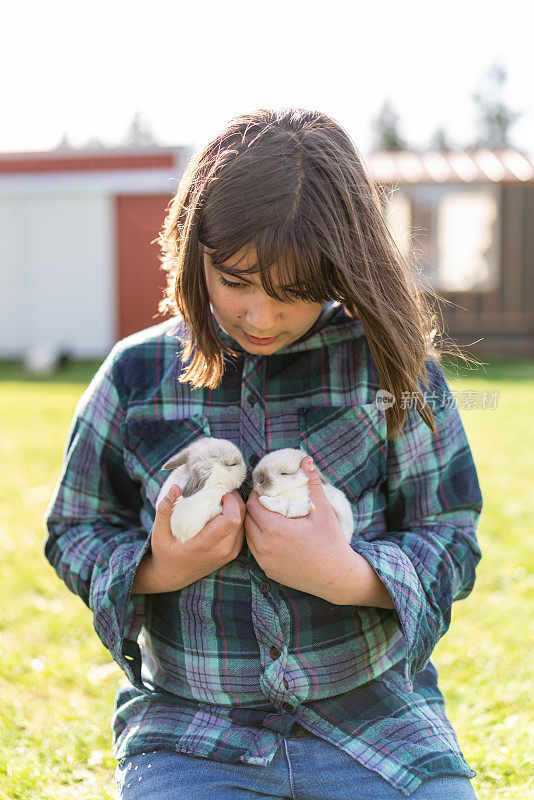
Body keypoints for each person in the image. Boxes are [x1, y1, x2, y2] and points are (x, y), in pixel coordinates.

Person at [44, 108, 483, 799]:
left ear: (342, 267)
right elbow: (73, 528)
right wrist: (161, 567)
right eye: (238, 281)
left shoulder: (392, 371)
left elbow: (450, 537)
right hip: (192, 732)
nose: (261, 316)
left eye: (295, 293)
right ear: (196, 251)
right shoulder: (135, 375)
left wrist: (346, 575)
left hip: (374, 723)